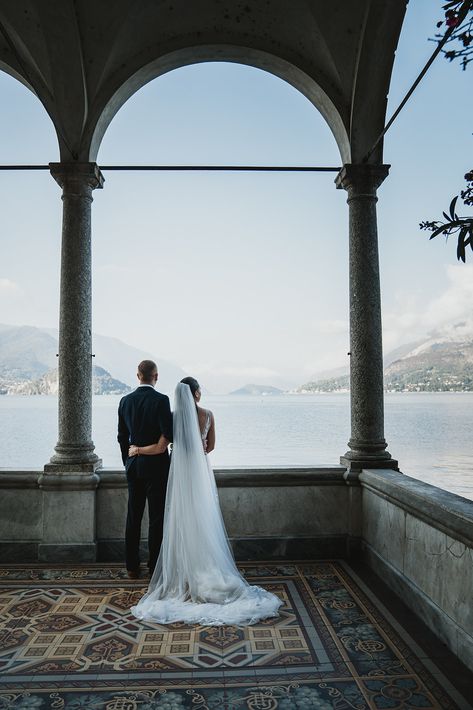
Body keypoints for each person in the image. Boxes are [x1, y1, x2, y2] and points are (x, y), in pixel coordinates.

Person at [128, 376, 282, 626]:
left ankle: (183, 574)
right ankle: (205, 566)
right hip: (200, 472)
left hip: (180, 474)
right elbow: (210, 447)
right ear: (197, 394)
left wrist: (138, 450)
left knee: (180, 518)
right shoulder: (208, 414)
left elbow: (162, 445)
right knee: (203, 516)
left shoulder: (173, 417)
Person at [117, 360, 173, 579]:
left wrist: (128, 461)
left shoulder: (125, 401)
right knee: (156, 518)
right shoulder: (161, 400)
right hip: (157, 467)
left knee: (134, 516)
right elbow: (169, 434)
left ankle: (131, 566)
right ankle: (154, 567)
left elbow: (122, 437)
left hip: (134, 466)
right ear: (156, 377)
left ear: (138, 375)